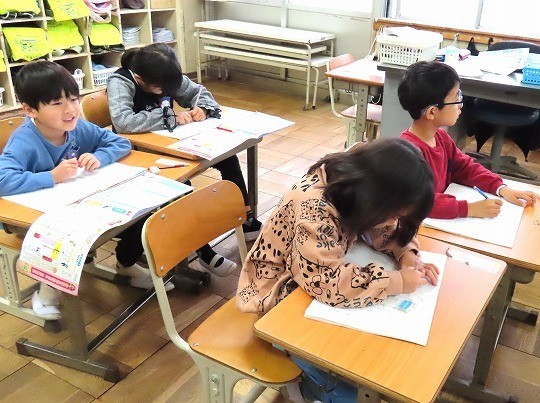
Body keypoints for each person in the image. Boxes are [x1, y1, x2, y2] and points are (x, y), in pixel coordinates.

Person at [236, 139, 439, 402]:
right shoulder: (315, 208)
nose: (394, 221)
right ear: (377, 198)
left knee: (369, 348)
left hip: (313, 271)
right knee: (348, 380)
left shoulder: (359, 183)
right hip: (277, 292)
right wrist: (397, 281)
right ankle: (310, 380)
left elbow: (381, 229)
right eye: (396, 213)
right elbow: (328, 284)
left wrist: (407, 255)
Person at [0, 61, 171, 321]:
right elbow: (3, 179)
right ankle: (46, 293)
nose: (70, 109)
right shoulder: (25, 140)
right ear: (30, 110)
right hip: (32, 218)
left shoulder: (77, 126)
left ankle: (125, 263)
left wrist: (100, 156)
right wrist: (51, 177)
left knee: (143, 209)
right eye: (57, 103)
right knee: (63, 234)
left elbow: (120, 142)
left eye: (73, 99)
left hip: (75, 202)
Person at [107, 43, 262, 277]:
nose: (168, 91)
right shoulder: (121, 81)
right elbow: (123, 121)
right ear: (140, 79)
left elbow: (198, 93)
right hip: (140, 152)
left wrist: (203, 108)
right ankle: (203, 251)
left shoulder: (165, 74)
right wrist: (169, 116)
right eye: (161, 89)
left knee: (227, 158)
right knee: (181, 186)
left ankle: (246, 220)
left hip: (171, 143)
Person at [398, 61, 536, 219]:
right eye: (456, 98)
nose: (461, 105)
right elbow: (419, 203)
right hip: (419, 226)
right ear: (432, 113)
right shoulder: (408, 153)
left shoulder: (441, 137)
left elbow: (465, 168)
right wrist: (469, 209)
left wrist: (501, 188)